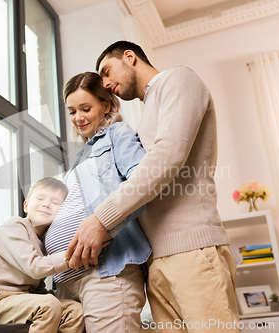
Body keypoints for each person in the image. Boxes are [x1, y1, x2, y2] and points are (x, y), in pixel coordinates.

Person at [66, 41, 240, 332]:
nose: (106, 84)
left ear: (130, 57)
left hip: (192, 250)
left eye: (107, 72)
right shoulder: (146, 114)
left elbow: (167, 157)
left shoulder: (179, 79)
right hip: (157, 262)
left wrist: (101, 220)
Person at [44, 72, 151, 332]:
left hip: (107, 273)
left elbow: (144, 182)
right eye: (71, 111)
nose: (78, 117)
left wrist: (103, 222)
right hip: (69, 281)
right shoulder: (81, 155)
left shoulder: (117, 135)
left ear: (106, 104)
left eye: (85, 108)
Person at [0, 177, 85, 333]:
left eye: (55, 202)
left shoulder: (44, 243)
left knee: (75, 311)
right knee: (49, 305)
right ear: (26, 206)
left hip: (20, 300)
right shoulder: (14, 225)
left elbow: (37, 288)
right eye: (40, 198)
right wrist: (75, 254)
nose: (46, 204)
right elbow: (35, 268)